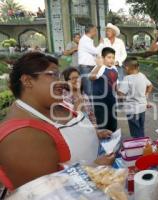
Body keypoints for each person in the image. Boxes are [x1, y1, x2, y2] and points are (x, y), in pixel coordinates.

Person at [0, 52, 115, 191]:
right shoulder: (20, 137)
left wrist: (94, 133)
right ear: (27, 81)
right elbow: (47, 193)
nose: (61, 82)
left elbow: (71, 135)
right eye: (53, 75)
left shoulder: (55, 105)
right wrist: (94, 168)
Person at [118, 57, 153, 138]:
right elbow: (150, 85)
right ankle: (144, 144)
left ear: (126, 68)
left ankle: (140, 146)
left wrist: (117, 90)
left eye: (124, 68)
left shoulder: (127, 78)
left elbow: (121, 94)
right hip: (142, 109)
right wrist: (145, 95)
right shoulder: (142, 76)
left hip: (132, 110)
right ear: (138, 67)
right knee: (140, 129)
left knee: (135, 133)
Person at [89, 47, 118, 132]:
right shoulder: (100, 67)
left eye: (113, 57)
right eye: (109, 57)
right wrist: (98, 65)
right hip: (101, 100)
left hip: (111, 99)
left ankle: (112, 137)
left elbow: (115, 83)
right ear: (103, 58)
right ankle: (103, 141)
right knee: (102, 120)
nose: (111, 60)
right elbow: (91, 77)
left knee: (112, 120)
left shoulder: (114, 68)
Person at [78, 24, 102, 96]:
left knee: (93, 88)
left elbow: (94, 53)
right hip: (86, 67)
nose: (96, 33)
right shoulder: (84, 40)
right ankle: (89, 106)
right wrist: (101, 43)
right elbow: (96, 51)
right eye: (95, 31)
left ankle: (93, 105)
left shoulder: (89, 40)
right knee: (88, 89)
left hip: (91, 67)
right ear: (92, 31)